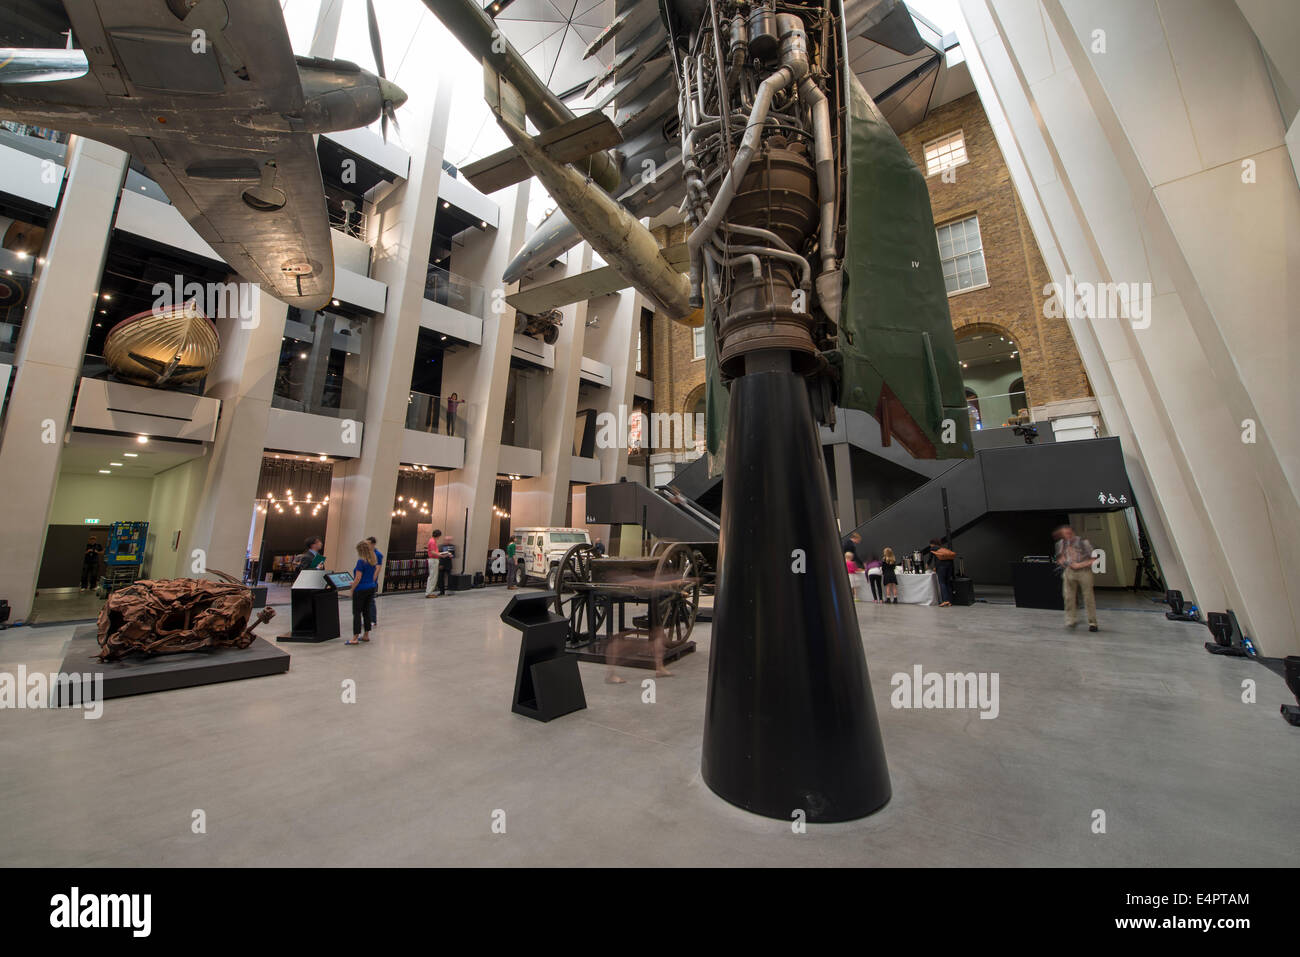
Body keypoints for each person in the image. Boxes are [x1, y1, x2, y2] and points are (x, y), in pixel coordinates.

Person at [1055, 523, 1099, 632]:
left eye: (1068, 533)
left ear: (1072, 532)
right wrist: (1065, 563)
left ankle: (1092, 622)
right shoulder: (1061, 543)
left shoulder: (1084, 543)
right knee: (1068, 597)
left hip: (1084, 571)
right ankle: (1071, 619)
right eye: (1064, 534)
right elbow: (1060, 557)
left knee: (1088, 597)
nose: (1067, 535)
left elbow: (1094, 558)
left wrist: (1080, 565)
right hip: (1069, 571)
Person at [342, 540, 379, 645]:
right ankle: (366, 635)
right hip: (370, 587)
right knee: (366, 611)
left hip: (361, 589)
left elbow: (358, 578)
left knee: (357, 613)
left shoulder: (361, 561)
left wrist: (352, 588)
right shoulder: (373, 561)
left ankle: (355, 637)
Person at [927, 537, 957, 607]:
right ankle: (950, 601)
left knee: (942, 583)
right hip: (949, 566)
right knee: (947, 583)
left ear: (932, 544)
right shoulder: (943, 549)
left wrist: (927, 566)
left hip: (941, 567)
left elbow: (929, 559)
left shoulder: (933, 549)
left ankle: (945, 600)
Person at [424, 530, 449, 597]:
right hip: (433, 560)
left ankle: (429, 592)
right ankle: (429, 593)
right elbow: (432, 552)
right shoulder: (432, 541)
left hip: (433, 560)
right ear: (438, 536)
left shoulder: (432, 540)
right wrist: (441, 555)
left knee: (432, 576)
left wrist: (439, 554)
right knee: (433, 577)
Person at [366, 536, 383, 629]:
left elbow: (378, 568)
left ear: (373, 544)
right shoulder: (367, 554)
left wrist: (373, 580)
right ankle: (367, 619)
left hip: (371, 581)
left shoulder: (378, 554)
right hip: (365, 581)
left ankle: (373, 620)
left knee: (371, 601)